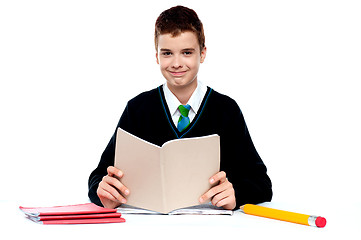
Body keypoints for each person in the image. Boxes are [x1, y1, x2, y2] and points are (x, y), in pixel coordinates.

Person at [88, 5, 272, 210]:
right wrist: (104, 192)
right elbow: (98, 177)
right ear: (157, 56)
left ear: (202, 54)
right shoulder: (137, 109)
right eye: (167, 53)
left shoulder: (226, 110)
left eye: (186, 52)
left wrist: (237, 193)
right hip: (146, 227)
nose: (176, 63)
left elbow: (262, 183)